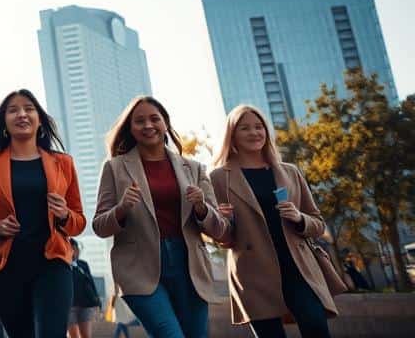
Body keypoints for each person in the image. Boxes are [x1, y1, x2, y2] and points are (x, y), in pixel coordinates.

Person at [91, 96, 227, 338]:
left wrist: (201, 208)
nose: (148, 125)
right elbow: (100, 226)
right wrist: (121, 209)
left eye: (154, 119)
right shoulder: (115, 167)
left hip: (190, 267)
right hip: (139, 269)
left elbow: (220, 229)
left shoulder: (193, 168)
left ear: (165, 123)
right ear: (130, 129)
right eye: (139, 121)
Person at [209, 104, 338, 338]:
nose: (254, 133)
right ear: (232, 136)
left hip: (299, 267)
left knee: (316, 328)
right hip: (252, 271)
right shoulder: (219, 177)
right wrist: (223, 220)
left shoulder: (290, 172)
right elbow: (221, 238)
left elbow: (318, 223)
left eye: (259, 127)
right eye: (245, 128)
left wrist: (299, 218)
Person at [0, 89, 85, 338]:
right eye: (13, 110)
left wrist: (64, 214)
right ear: (4, 121)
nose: (22, 114)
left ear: (39, 119)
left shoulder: (63, 163)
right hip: (6, 267)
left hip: (52, 264)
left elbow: (78, 222)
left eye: (29, 108)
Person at [67, 239, 101, 338]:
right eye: (73, 249)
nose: (75, 251)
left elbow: (91, 283)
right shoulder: (63, 265)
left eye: (76, 249)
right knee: (74, 336)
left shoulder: (83, 264)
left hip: (85, 305)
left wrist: (97, 300)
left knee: (86, 335)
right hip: (70, 306)